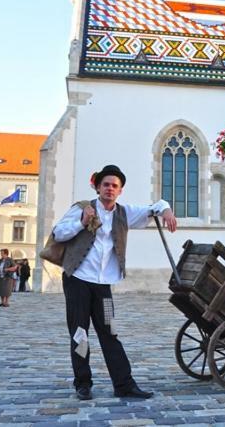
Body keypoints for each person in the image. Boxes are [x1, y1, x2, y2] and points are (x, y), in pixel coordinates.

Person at [51, 164, 176, 401]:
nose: (110, 188)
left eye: (114, 185)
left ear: (120, 191)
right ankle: (83, 383)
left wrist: (166, 211)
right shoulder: (82, 209)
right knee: (80, 333)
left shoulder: (124, 212)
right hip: (77, 280)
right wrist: (81, 222)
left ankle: (124, 384)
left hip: (102, 285)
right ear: (98, 187)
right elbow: (58, 233)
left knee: (110, 332)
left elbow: (155, 206)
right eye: (106, 184)